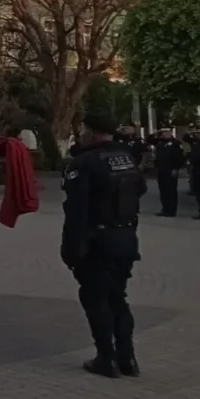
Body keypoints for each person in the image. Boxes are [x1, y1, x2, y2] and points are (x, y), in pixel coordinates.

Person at [61, 113, 145, 378]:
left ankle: (106, 359)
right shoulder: (126, 158)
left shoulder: (84, 163)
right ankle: (127, 358)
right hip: (126, 237)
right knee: (118, 297)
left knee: (96, 299)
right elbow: (140, 189)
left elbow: (76, 210)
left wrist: (71, 249)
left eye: (84, 130)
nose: (82, 135)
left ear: (93, 132)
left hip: (97, 240)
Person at [147, 128, 185, 217]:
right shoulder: (159, 142)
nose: (166, 134)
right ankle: (165, 209)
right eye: (164, 133)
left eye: (168, 132)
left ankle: (172, 210)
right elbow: (148, 140)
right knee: (163, 190)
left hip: (171, 170)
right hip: (161, 169)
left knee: (171, 190)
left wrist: (176, 168)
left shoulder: (176, 143)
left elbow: (179, 157)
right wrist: (155, 133)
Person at [184, 127, 200, 219]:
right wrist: (193, 131)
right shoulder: (194, 142)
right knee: (198, 192)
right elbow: (185, 137)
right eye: (197, 134)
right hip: (196, 170)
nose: (199, 135)